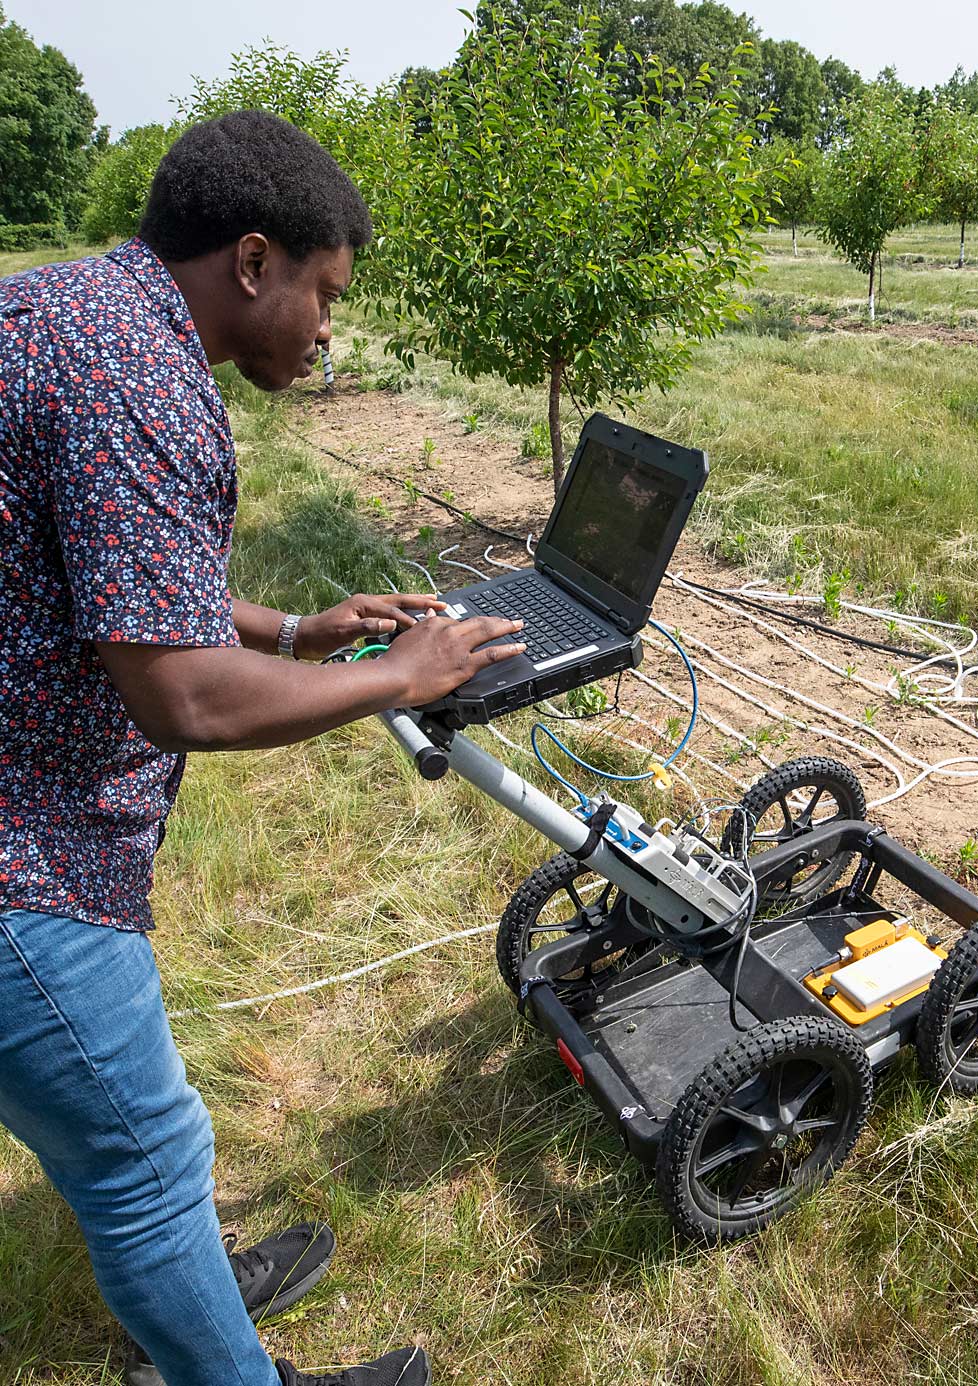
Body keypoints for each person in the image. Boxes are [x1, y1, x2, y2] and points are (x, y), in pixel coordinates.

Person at [0, 111, 525, 1386]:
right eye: (325, 295)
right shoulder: (141, 383)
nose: (329, 331)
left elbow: (112, 581)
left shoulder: (64, 311)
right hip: (23, 865)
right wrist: (400, 673)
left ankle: (180, 1290)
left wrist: (299, 627)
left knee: (126, 1141)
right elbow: (183, 698)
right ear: (252, 262)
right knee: (145, 1154)